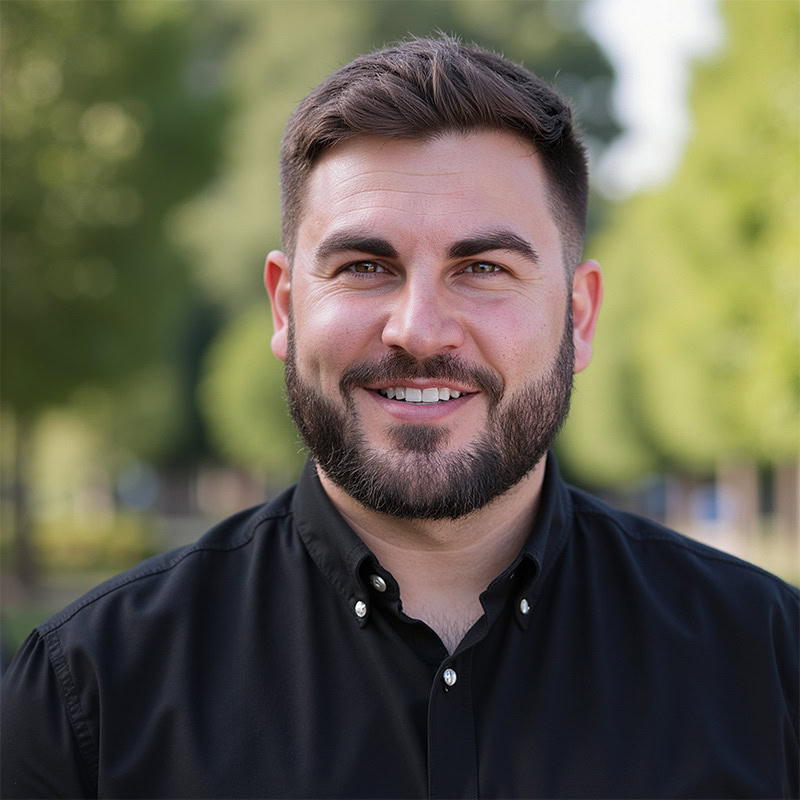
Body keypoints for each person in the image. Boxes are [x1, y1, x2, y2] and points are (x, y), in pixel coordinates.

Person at [2, 36, 797, 800]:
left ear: (580, 316)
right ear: (285, 305)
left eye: (483, 268)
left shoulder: (773, 662)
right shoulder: (87, 694)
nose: (418, 328)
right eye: (365, 267)